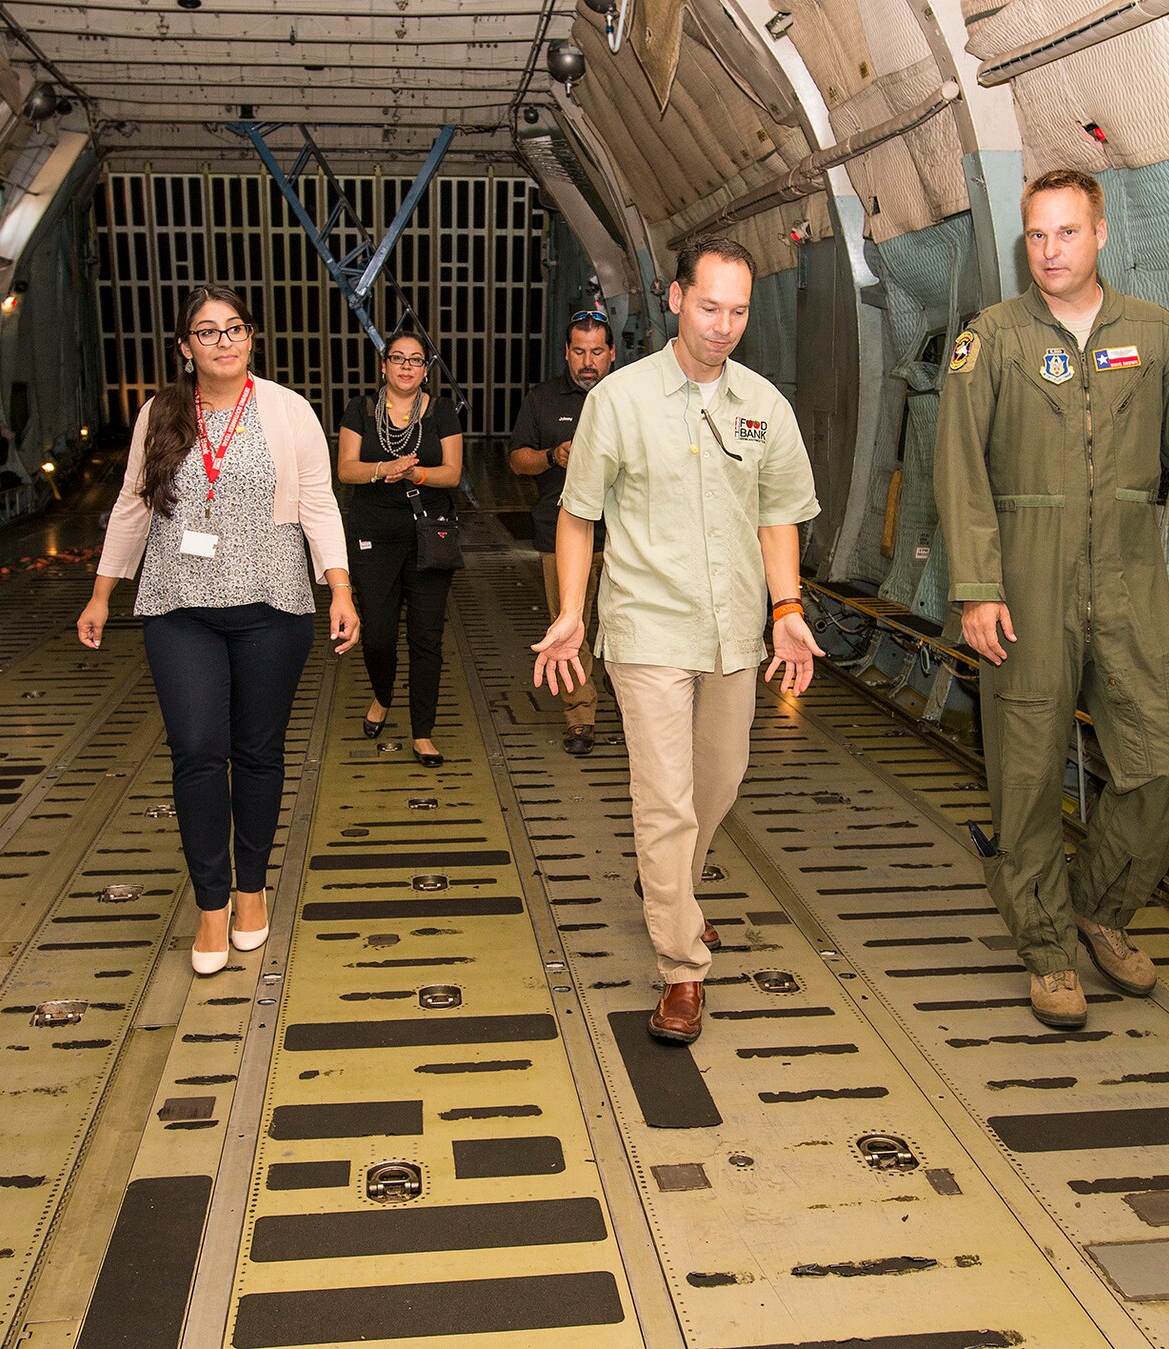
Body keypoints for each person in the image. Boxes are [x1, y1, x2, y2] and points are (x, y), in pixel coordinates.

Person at [933, 168, 1169, 1030]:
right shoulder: (990, 339)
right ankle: (1047, 950)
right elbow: (961, 474)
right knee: (1025, 779)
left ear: (1101, 234)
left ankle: (1097, 906)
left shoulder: (1157, 334)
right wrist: (979, 590)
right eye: (1036, 235)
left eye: (1067, 232)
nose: (1050, 250)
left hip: (1132, 580)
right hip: (1024, 582)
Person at [532, 234, 822, 1046]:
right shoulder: (618, 401)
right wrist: (572, 612)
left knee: (718, 782)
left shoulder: (766, 404)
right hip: (647, 626)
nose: (723, 326)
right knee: (664, 798)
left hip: (733, 629)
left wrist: (787, 607)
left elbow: (778, 514)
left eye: (737, 311)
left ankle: (674, 893)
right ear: (674, 298)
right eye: (709, 307)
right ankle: (682, 967)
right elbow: (579, 511)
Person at [79, 286, 357, 975]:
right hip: (179, 604)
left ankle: (251, 889)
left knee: (257, 751)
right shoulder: (161, 412)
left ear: (251, 338)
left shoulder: (287, 410)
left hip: (272, 602)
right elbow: (134, 504)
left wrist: (340, 587)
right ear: (185, 347)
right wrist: (101, 593)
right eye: (208, 332)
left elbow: (319, 501)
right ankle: (210, 905)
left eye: (235, 329)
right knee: (197, 750)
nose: (225, 341)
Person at [337, 333, 465, 767]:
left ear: (425, 369)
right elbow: (346, 470)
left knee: (426, 637)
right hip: (373, 536)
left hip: (429, 537)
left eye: (415, 360)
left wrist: (417, 475)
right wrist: (384, 468)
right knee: (378, 635)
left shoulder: (442, 412)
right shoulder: (359, 409)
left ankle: (423, 733)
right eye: (398, 359)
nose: (406, 367)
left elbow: (452, 474)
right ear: (384, 365)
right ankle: (383, 695)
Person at [509, 312, 617, 756]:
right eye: (578, 351)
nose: (587, 362)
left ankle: (639, 705)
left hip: (623, 536)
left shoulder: (629, 397)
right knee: (570, 624)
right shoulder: (542, 398)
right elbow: (517, 461)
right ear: (566, 353)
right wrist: (553, 456)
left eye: (596, 352)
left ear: (612, 353)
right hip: (559, 533)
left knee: (626, 623)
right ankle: (580, 717)